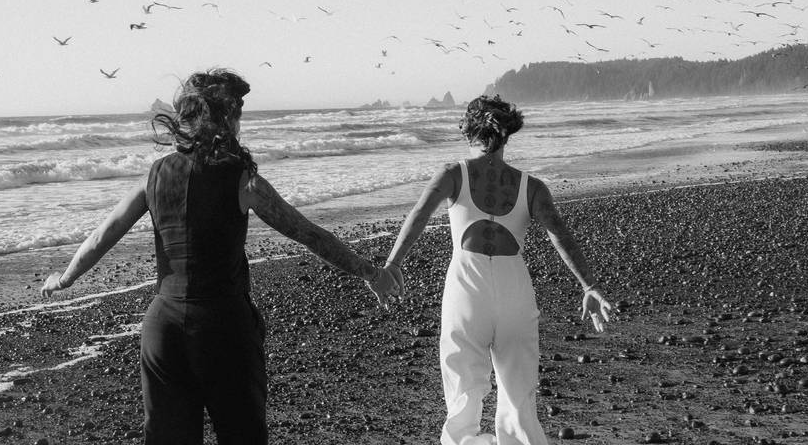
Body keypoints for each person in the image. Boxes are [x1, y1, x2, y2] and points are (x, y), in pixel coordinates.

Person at [41, 68, 398, 445]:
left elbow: (102, 235)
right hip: (223, 328)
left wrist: (65, 278)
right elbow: (306, 233)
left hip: (162, 329)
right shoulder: (242, 179)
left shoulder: (154, 175)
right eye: (238, 113)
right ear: (225, 117)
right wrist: (369, 272)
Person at [384, 95, 613, 445]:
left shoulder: (453, 175)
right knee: (518, 392)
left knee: (462, 389)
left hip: (466, 287)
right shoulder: (530, 186)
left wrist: (393, 265)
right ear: (508, 134)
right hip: (514, 290)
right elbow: (559, 235)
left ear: (467, 132)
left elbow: (419, 215)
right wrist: (589, 285)